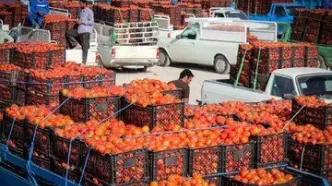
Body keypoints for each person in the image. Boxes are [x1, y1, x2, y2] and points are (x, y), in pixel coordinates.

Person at [66, 0, 94, 65]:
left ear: (84, 3)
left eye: (80, 3)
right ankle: (75, 44)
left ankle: (84, 62)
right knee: (68, 33)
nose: (79, 5)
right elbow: (80, 20)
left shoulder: (89, 11)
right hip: (79, 30)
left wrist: (82, 22)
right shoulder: (81, 11)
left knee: (85, 46)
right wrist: (77, 21)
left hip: (85, 31)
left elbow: (91, 22)